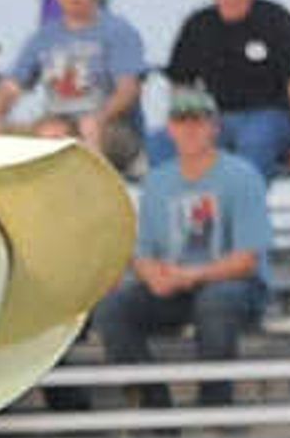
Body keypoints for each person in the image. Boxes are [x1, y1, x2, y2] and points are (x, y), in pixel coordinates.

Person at [88, 84, 272, 399]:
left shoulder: (242, 176)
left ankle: (215, 401)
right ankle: (153, 406)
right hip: (175, 285)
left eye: (198, 121)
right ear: (170, 128)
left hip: (232, 285)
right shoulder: (158, 181)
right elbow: (142, 252)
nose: (189, 130)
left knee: (215, 302)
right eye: (181, 121)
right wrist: (154, 277)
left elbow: (247, 260)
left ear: (214, 127)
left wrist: (190, 276)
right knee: (112, 310)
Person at [163, 0, 290, 179]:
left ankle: (243, 209)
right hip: (214, 118)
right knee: (161, 143)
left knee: (256, 140)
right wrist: (188, 124)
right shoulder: (198, 26)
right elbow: (180, 86)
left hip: (270, 115)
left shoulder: (276, 20)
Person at [0, 0, 146, 162]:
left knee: (84, 132)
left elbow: (128, 89)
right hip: (55, 122)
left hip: (112, 126)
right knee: (5, 136)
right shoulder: (44, 36)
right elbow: (12, 85)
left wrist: (99, 118)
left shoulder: (118, 31)